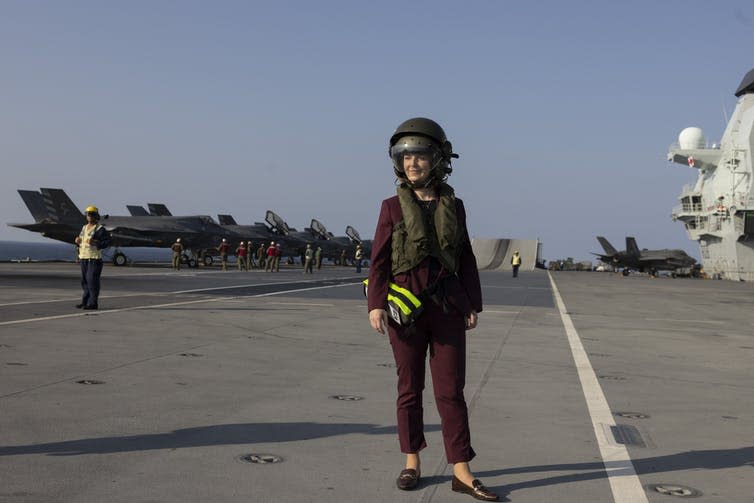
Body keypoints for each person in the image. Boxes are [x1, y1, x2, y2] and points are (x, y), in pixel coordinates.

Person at [366, 118, 498, 501]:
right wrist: (376, 304)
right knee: (409, 389)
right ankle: (412, 462)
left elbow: (466, 257)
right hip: (404, 309)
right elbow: (379, 261)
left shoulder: (454, 207)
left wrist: (472, 303)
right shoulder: (390, 207)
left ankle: (461, 470)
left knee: (451, 392)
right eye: (405, 156)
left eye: (420, 155)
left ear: (437, 159)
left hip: (447, 307)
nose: (412, 163)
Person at [74, 205, 110, 310]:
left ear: (96, 216)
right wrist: (77, 241)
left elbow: (107, 242)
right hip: (84, 258)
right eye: (88, 214)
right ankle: (85, 302)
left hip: (94, 259)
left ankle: (93, 303)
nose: (89, 216)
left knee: (92, 281)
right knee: (84, 281)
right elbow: (81, 240)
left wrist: (96, 242)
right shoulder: (84, 227)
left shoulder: (100, 229)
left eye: (91, 214)